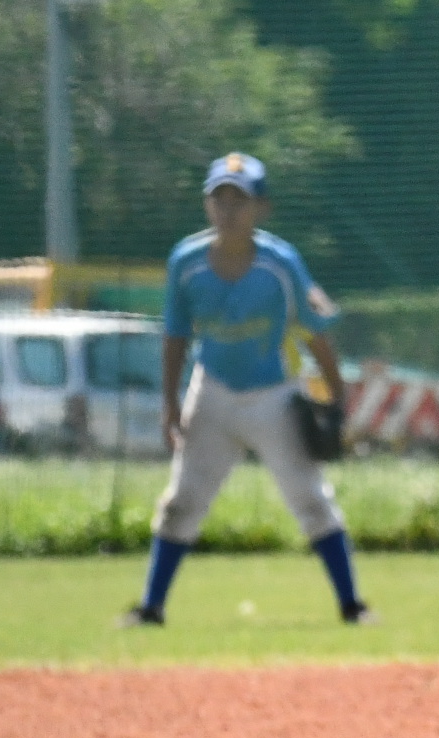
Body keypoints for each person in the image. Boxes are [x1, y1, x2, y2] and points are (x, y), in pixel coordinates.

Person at [124, 151, 368, 631]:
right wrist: (171, 402)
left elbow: (315, 331)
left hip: (275, 396)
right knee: (182, 501)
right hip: (212, 391)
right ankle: (151, 608)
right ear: (207, 205)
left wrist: (338, 395)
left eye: (240, 200)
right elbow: (176, 335)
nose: (228, 210)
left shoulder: (281, 264)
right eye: (219, 199)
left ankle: (352, 607)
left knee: (310, 498)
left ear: (262, 208)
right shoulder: (186, 262)